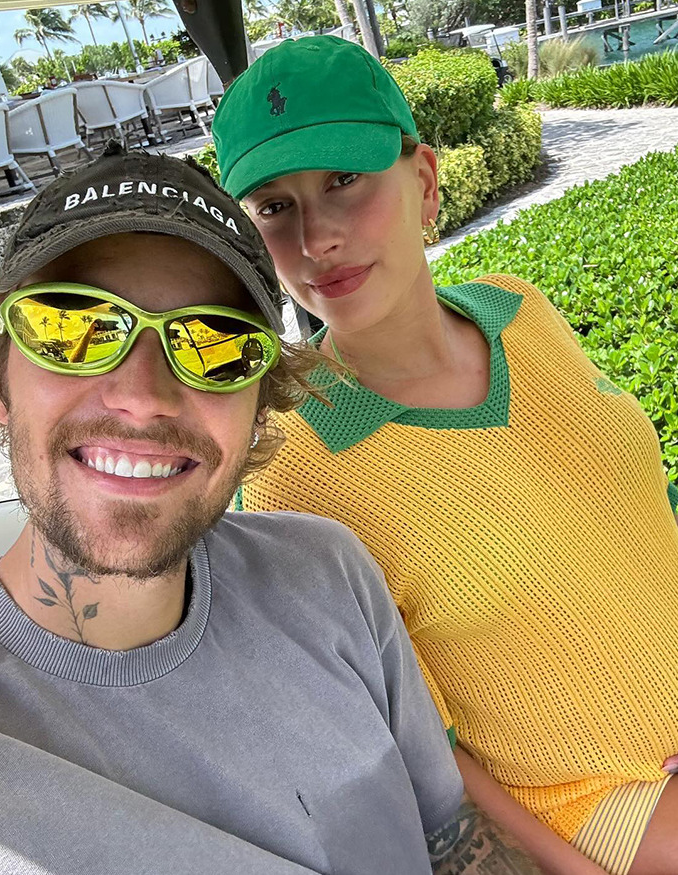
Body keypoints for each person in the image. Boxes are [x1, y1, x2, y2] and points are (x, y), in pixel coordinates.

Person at [212, 35, 678, 875]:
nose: (316, 236)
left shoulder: (518, 307)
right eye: (273, 207)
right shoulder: (296, 467)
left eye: (343, 181)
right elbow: (415, 737)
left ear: (423, 181)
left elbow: (635, 517)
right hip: (601, 794)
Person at [0, 145, 476, 875]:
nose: (143, 396)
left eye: (215, 346)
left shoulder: (328, 572)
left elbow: (451, 840)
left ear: (257, 411)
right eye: (71, 327)